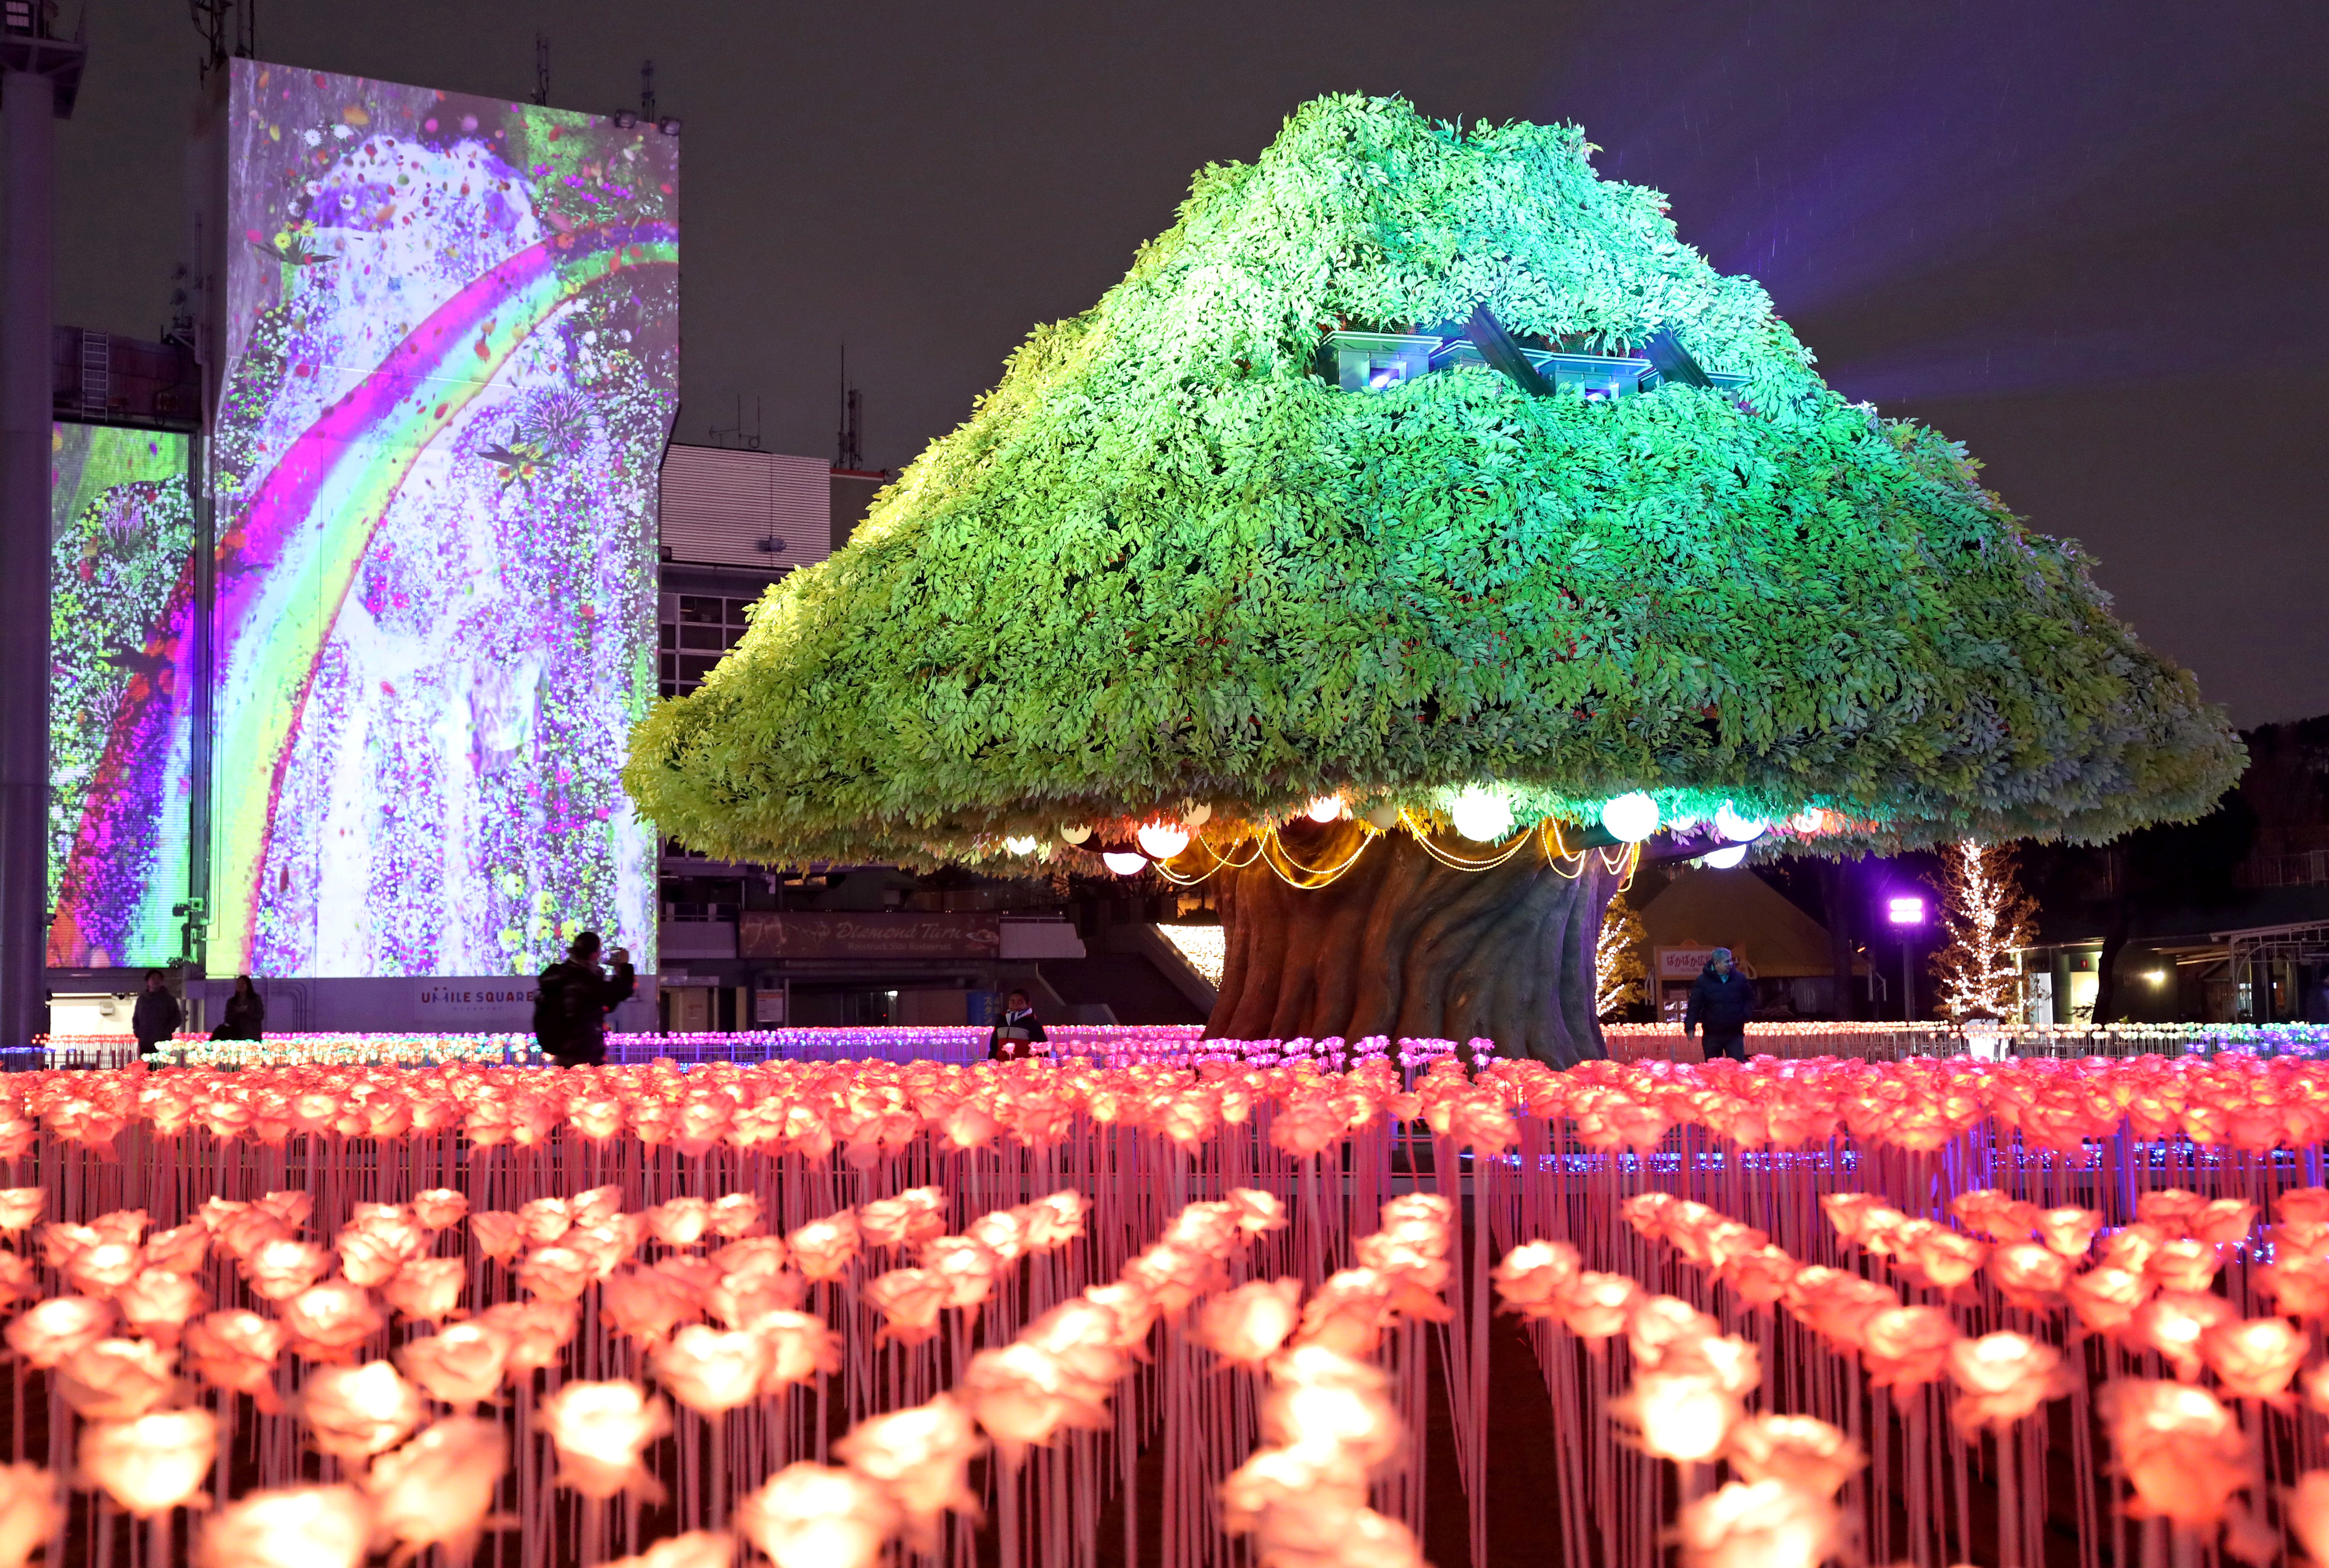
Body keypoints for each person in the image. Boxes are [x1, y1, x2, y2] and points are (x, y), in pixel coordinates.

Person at [535, 932, 635, 1068]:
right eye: (598, 952)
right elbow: (621, 991)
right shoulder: (581, 981)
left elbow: (607, 1003)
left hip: (568, 1052)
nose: (600, 956)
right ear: (593, 955)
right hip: (582, 1055)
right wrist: (624, 966)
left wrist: (618, 975)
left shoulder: (568, 975)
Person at [1684, 947, 1755, 1063]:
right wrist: (1690, 1027)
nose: (1730, 964)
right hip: (1712, 1035)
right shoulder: (1703, 981)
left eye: (1731, 961)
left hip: (1734, 1034)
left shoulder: (1739, 979)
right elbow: (1694, 1006)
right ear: (1716, 964)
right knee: (1713, 1071)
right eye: (1727, 962)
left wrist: (1745, 1015)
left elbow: (1750, 998)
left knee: (1737, 1068)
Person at [130, 970, 182, 1061]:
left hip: (163, 1041)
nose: (156, 981)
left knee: (161, 1069)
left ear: (162, 981)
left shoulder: (169, 999)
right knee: (145, 1068)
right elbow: (136, 1018)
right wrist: (138, 1032)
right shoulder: (142, 1000)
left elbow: (177, 1018)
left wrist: (166, 1031)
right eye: (153, 978)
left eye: (159, 978)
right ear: (148, 981)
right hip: (145, 1041)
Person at [988, 989, 1047, 1061]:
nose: (1015, 1005)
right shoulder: (1001, 1021)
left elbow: (1040, 1048)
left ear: (1028, 1005)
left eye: (1019, 1002)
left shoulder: (1032, 1024)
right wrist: (992, 1061)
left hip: (1022, 1068)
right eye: (1012, 1001)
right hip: (1001, 1067)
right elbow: (994, 1046)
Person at [211, 975, 266, 1042]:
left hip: (252, 1034)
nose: (240, 986)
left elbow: (260, 1016)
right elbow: (227, 1019)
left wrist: (247, 1012)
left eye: (243, 983)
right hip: (235, 1035)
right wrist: (236, 1012)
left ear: (248, 985)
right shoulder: (232, 1001)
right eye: (238, 983)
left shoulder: (256, 999)